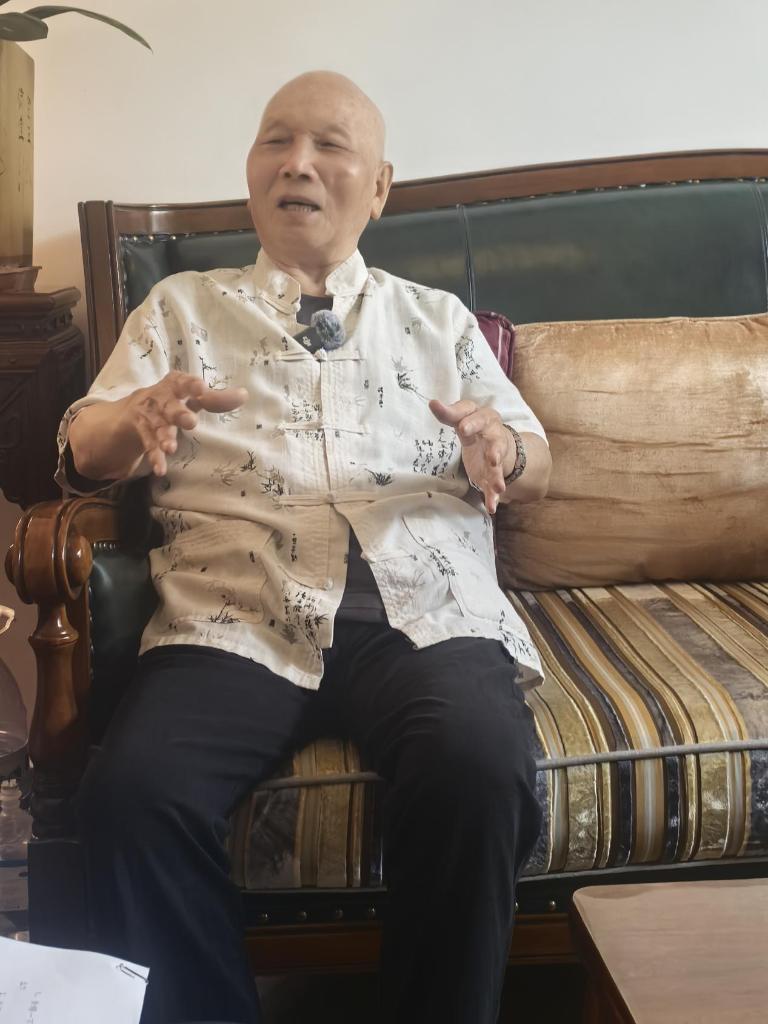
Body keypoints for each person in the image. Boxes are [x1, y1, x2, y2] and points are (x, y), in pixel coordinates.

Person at [59, 70, 551, 1024]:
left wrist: (506, 448)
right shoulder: (179, 310)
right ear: (251, 172)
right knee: (132, 798)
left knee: (480, 768)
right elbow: (86, 442)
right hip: (236, 611)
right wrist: (134, 419)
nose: (297, 163)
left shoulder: (437, 320)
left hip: (422, 611)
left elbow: (539, 462)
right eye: (276, 141)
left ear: (380, 187)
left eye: (330, 145)